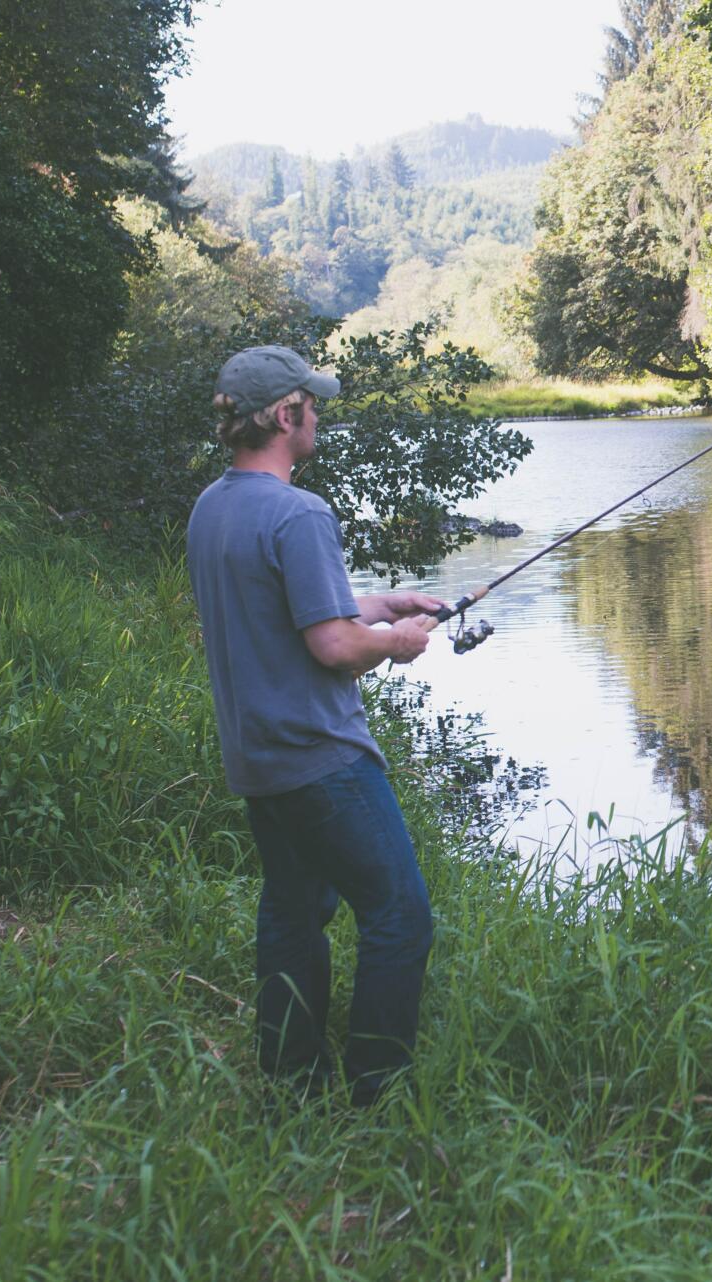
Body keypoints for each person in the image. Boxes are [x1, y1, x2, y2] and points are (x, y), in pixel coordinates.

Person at [187, 345, 442, 1107]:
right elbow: (333, 646)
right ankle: (378, 1090)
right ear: (285, 415)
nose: (320, 413)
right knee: (400, 914)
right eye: (312, 402)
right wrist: (395, 645)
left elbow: (296, 612)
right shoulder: (300, 512)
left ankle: (293, 1081)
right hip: (322, 761)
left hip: (258, 758)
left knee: (294, 914)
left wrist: (384, 605)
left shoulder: (214, 507)